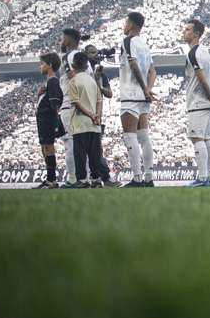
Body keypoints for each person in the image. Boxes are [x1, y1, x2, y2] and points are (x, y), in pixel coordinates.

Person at [119, 12, 157, 188]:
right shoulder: (145, 45)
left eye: (126, 22)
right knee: (144, 137)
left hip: (130, 94)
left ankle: (136, 178)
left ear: (132, 25)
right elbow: (152, 71)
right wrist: (148, 90)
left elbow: (133, 64)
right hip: (142, 96)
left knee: (130, 136)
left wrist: (143, 89)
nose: (124, 25)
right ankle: (148, 177)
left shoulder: (128, 41)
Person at [182, 19, 210, 187]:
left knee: (197, 138)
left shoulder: (193, 53)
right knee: (206, 139)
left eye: (188, 30)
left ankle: (203, 177)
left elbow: (202, 77)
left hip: (198, 102)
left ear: (196, 33)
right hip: (207, 102)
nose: (184, 32)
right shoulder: (205, 52)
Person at [66, 53, 111, 188]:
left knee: (80, 154)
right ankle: (96, 179)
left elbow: (76, 103)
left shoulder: (73, 81)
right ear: (86, 66)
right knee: (94, 154)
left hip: (80, 123)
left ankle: (83, 180)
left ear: (73, 65)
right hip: (94, 125)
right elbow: (99, 100)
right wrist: (97, 116)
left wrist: (91, 115)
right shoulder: (92, 81)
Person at [58, 28, 92, 186]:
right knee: (83, 144)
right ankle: (86, 178)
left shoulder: (68, 57)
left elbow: (73, 78)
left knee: (70, 142)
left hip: (70, 103)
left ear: (68, 40)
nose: (61, 42)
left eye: (62, 39)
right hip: (87, 104)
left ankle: (73, 179)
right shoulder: (85, 60)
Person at [84, 44, 118, 187]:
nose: (95, 55)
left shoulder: (100, 74)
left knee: (96, 149)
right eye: (91, 53)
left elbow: (109, 94)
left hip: (97, 115)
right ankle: (93, 178)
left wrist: (99, 83)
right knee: (86, 149)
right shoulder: (83, 73)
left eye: (96, 53)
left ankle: (101, 177)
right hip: (84, 113)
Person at [33, 53, 63, 189]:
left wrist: (56, 122)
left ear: (50, 65)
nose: (40, 66)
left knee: (48, 147)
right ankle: (50, 179)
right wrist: (40, 94)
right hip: (44, 119)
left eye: (42, 63)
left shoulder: (53, 81)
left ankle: (51, 180)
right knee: (45, 148)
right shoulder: (49, 82)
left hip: (48, 119)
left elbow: (55, 103)